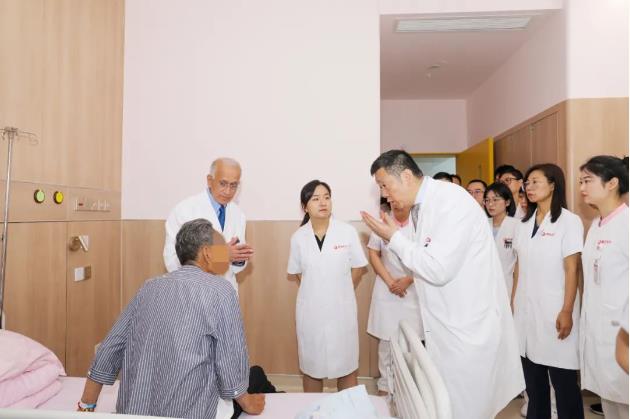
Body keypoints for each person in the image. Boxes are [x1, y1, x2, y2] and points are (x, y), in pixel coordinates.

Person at [361, 150, 524, 419]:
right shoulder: (423, 207)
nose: (385, 194)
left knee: (467, 408)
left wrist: (394, 238)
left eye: (384, 185)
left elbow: (437, 268)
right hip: (446, 324)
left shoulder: (451, 202)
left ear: (405, 176)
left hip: (467, 328)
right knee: (448, 405)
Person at [78, 219, 265, 418]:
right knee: (258, 376)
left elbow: (110, 348)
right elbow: (229, 362)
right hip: (192, 413)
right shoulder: (221, 290)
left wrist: (86, 407)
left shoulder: (149, 287)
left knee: (254, 374)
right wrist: (248, 404)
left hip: (134, 412)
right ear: (207, 253)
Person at [512, 163, 584, 419]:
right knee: (535, 387)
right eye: (527, 183)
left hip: (555, 312)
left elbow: (572, 269)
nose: (529, 187)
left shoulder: (569, 221)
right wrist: (512, 305)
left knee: (564, 385)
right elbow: (518, 269)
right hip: (526, 314)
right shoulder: (523, 225)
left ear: (553, 185)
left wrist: (567, 310)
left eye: (535, 181)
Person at [287, 180, 368, 393]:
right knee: (311, 367)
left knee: (347, 366)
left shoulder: (347, 231)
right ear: (305, 207)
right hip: (311, 312)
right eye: (315, 199)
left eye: (327, 197)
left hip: (342, 310)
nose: (323, 202)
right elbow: (298, 272)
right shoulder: (298, 237)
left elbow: (358, 267)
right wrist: (317, 290)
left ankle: (347, 408)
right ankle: (313, 408)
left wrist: (341, 291)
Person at [578, 155, 629, 419]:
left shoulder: (627, 224)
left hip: (622, 333)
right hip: (599, 329)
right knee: (610, 404)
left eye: (587, 180)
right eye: (580, 181)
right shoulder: (595, 226)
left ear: (612, 183)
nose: (582, 187)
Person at [163, 158, 254, 291]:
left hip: (226, 291)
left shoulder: (238, 214)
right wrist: (221, 254)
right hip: (194, 291)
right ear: (210, 180)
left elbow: (235, 268)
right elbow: (172, 261)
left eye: (233, 185)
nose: (228, 191)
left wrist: (239, 258)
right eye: (223, 183)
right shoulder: (184, 210)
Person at [366, 199, 422, 395]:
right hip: (386, 289)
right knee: (386, 343)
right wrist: (390, 282)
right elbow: (373, 253)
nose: (396, 203)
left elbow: (428, 258)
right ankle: (384, 389)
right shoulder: (382, 223)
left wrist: (409, 279)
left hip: (414, 289)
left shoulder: (421, 224)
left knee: (412, 343)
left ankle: (409, 392)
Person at [484, 182, 518, 297]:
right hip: (484, 286)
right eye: (487, 200)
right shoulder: (482, 225)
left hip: (507, 285)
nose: (490, 204)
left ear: (507, 202)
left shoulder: (517, 226)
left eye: (495, 199)